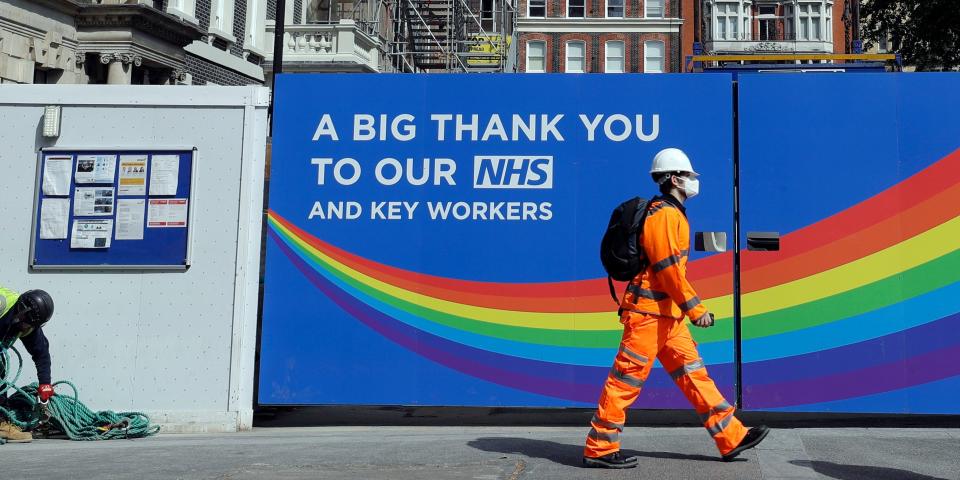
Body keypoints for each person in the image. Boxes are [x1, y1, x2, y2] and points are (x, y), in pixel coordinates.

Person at [583, 148, 769, 468]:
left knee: (695, 376)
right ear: (673, 178)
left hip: (667, 316)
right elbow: (668, 270)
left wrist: (684, 311)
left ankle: (731, 436)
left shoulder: (671, 213)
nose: (693, 181)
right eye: (688, 176)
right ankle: (599, 449)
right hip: (647, 315)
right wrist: (697, 309)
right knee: (625, 381)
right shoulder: (665, 215)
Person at [0, 287, 55, 443]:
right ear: (22, 309)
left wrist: (45, 384)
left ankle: (1, 424)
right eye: (27, 323)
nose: (26, 328)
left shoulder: (29, 323)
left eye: (31, 325)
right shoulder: (2, 304)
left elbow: (41, 353)